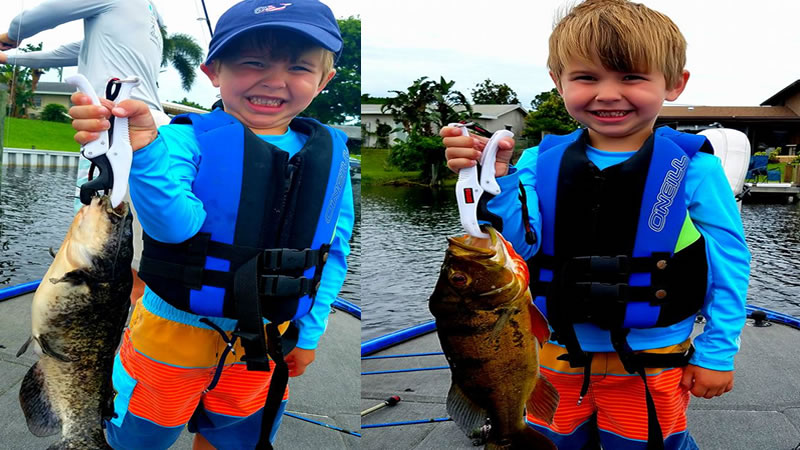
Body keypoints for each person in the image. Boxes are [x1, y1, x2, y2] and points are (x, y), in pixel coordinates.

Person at [441, 1, 750, 449]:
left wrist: (718, 350)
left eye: (631, 77)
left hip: (653, 359)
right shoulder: (534, 162)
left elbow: (730, 261)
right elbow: (514, 249)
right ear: (558, 82)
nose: (607, 93)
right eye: (586, 77)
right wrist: (497, 177)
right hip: (554, 357)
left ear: (675, 84)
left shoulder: (695, 169)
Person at [68, 0, 353, 448]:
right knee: (139, 439)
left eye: (299, 67)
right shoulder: (180, 139)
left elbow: (331, 253)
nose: (274, 80)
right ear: (212, 71)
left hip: (266, 344)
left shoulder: (331, 155)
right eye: (252, 63)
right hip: (170, 341)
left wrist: (310, 330)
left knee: (233, 441)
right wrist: (141, 146)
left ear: (324, 80)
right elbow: (174, 227)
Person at [0, 0, 170, 302]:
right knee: (120, 253)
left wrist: (10, 37)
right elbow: (64, 53)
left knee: (109, 254)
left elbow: (38, 17)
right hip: (144, 128)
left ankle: (126, 338)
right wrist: (9, 57)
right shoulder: (145, 15)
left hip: (118, 129)